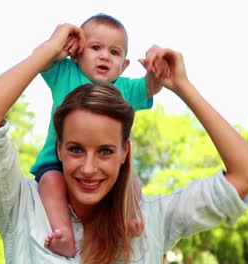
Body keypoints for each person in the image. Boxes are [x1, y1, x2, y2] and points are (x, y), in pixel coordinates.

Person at [0, 39, 248, 263]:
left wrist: (183, 86)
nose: (89, 168)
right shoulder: (21, 207)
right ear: (59, 150)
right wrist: (46, 53)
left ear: (124, 151)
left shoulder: (152, 219)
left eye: (105, 151)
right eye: (76, 149)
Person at [29, 13, 163, 257]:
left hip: (106, 168)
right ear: (77, 52)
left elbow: (151, 86)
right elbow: (40, 59)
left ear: (123, 66)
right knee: (50, 183)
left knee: (132, 183)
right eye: (96, 47)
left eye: (114, 52)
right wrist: (56, 43)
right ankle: (65, 234)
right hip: (56, 162)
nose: (104, 56)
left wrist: (157, 68)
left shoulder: (125, 88)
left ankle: (130, 216)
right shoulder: (65, 72)